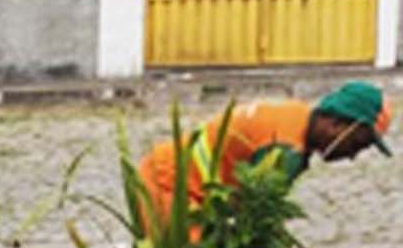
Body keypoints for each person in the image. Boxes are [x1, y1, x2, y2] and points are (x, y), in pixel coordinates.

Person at [138, 82, 391, 226]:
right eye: (357, 144)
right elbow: (258, 223)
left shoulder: (296, 116)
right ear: (337, 124)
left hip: (175, 177)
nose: (352, 156)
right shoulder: (286, 152)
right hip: (170, 185)